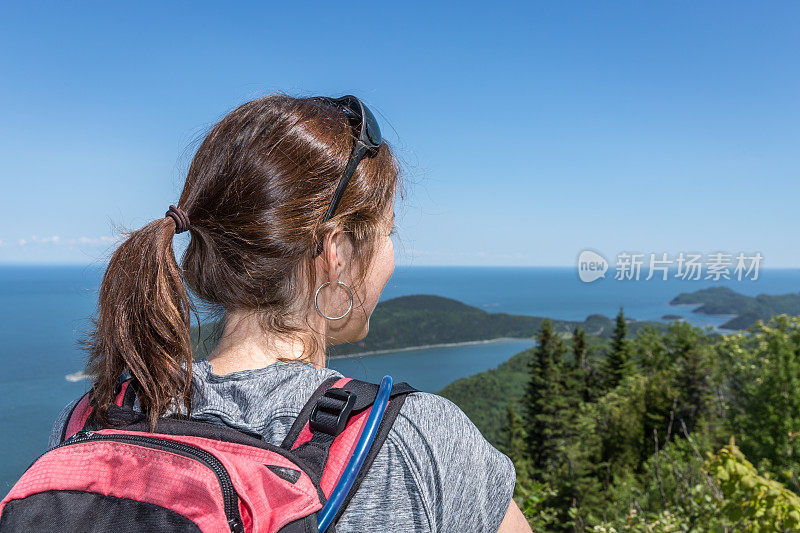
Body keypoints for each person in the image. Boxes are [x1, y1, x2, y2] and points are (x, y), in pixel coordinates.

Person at [48, 93, 532, 532]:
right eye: (389, 233)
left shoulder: (93, 417)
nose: (391, 259)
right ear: (337, 253)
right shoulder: (415, 440)